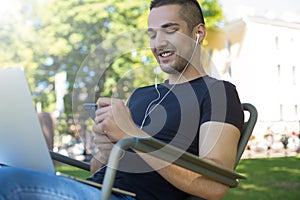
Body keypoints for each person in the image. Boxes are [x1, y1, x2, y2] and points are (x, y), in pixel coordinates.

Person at [0, 0, 244, 200]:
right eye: (152, 34)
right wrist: (105, 149)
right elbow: (100, 171)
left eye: (170, 30)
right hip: (95, 190)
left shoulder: (218, 92)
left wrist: (131, 133)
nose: (158, 43)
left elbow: (215, 184)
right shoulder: (141, 94)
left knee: (9, 182)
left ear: (198, 33)